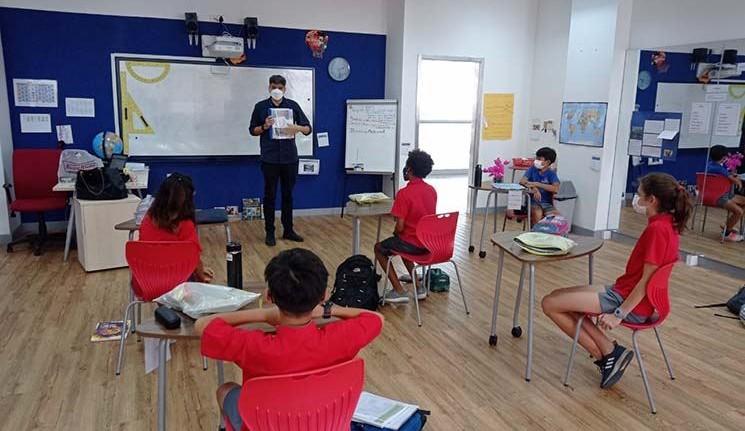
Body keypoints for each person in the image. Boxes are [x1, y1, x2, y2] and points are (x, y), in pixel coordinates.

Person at [195, 248, 383, 431]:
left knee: (225, 390)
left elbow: (202, 325)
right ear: (323, 296)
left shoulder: (255, 346)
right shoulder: (339, 339)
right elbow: (376, 319)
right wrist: (328, 309)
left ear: (269, 296)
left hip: (267, 424)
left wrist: (264, 314)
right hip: (326, 423)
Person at [541, 173, 692, 389]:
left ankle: (606, 355)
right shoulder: (668, 224)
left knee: (550, 303)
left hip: (630, 301)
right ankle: (610, 350)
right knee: (560, 296)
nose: (636, 200)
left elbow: (647, 281)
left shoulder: (657, 230)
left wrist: (619, 314)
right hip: (626, 291)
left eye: (640, 195)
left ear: (652, 200)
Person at [249, 75, 312, 247]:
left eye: (280, 87)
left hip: (289, 158)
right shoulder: (260, 107)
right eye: (273, 86)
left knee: (288, 195)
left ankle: (288, 230)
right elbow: (252, 130)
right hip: (269, 158)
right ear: (269, 88)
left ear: (285, 89)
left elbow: (308, 129)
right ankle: (270, 231)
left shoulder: (292, 106)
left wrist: (296, 128)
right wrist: (264, 127)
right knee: (270, 196)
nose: (277, 90)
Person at [374, 149, 437, 304]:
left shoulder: (404, 194)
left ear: (409, 169)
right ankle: (418, 286)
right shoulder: (431, 191)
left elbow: (400, 227)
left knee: (379, 248)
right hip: (428, 244)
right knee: (403, 243)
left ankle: (398, 290)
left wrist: (396, 232)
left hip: (412, 244)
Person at [139, 173, 214, 282]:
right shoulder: (185, 224)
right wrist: (201, 275)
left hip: (146, 281)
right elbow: (193, 257)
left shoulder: (147, 219)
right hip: (177, 285)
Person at [706, 145, 745, 242]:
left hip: (708, 196)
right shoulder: (720, 169)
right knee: (739, 211)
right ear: (724, 157)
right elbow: (736, 182)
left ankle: (728, 225)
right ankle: (727, 232)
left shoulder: (709, 165)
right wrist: (737, 180)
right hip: (720, 197)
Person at [519, 147, 560, 225]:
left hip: (547, 204)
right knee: (537, 213)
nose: (536, 160)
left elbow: (555, 189)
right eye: (536, 158)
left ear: (547, 162)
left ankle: (546, 236)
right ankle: (534, 234)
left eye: (539, 158)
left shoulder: (551, 174)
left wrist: (537, 184)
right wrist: (534, 188)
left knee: (556, 219)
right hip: (532, 203)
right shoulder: (532, 169)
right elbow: (522, 181)